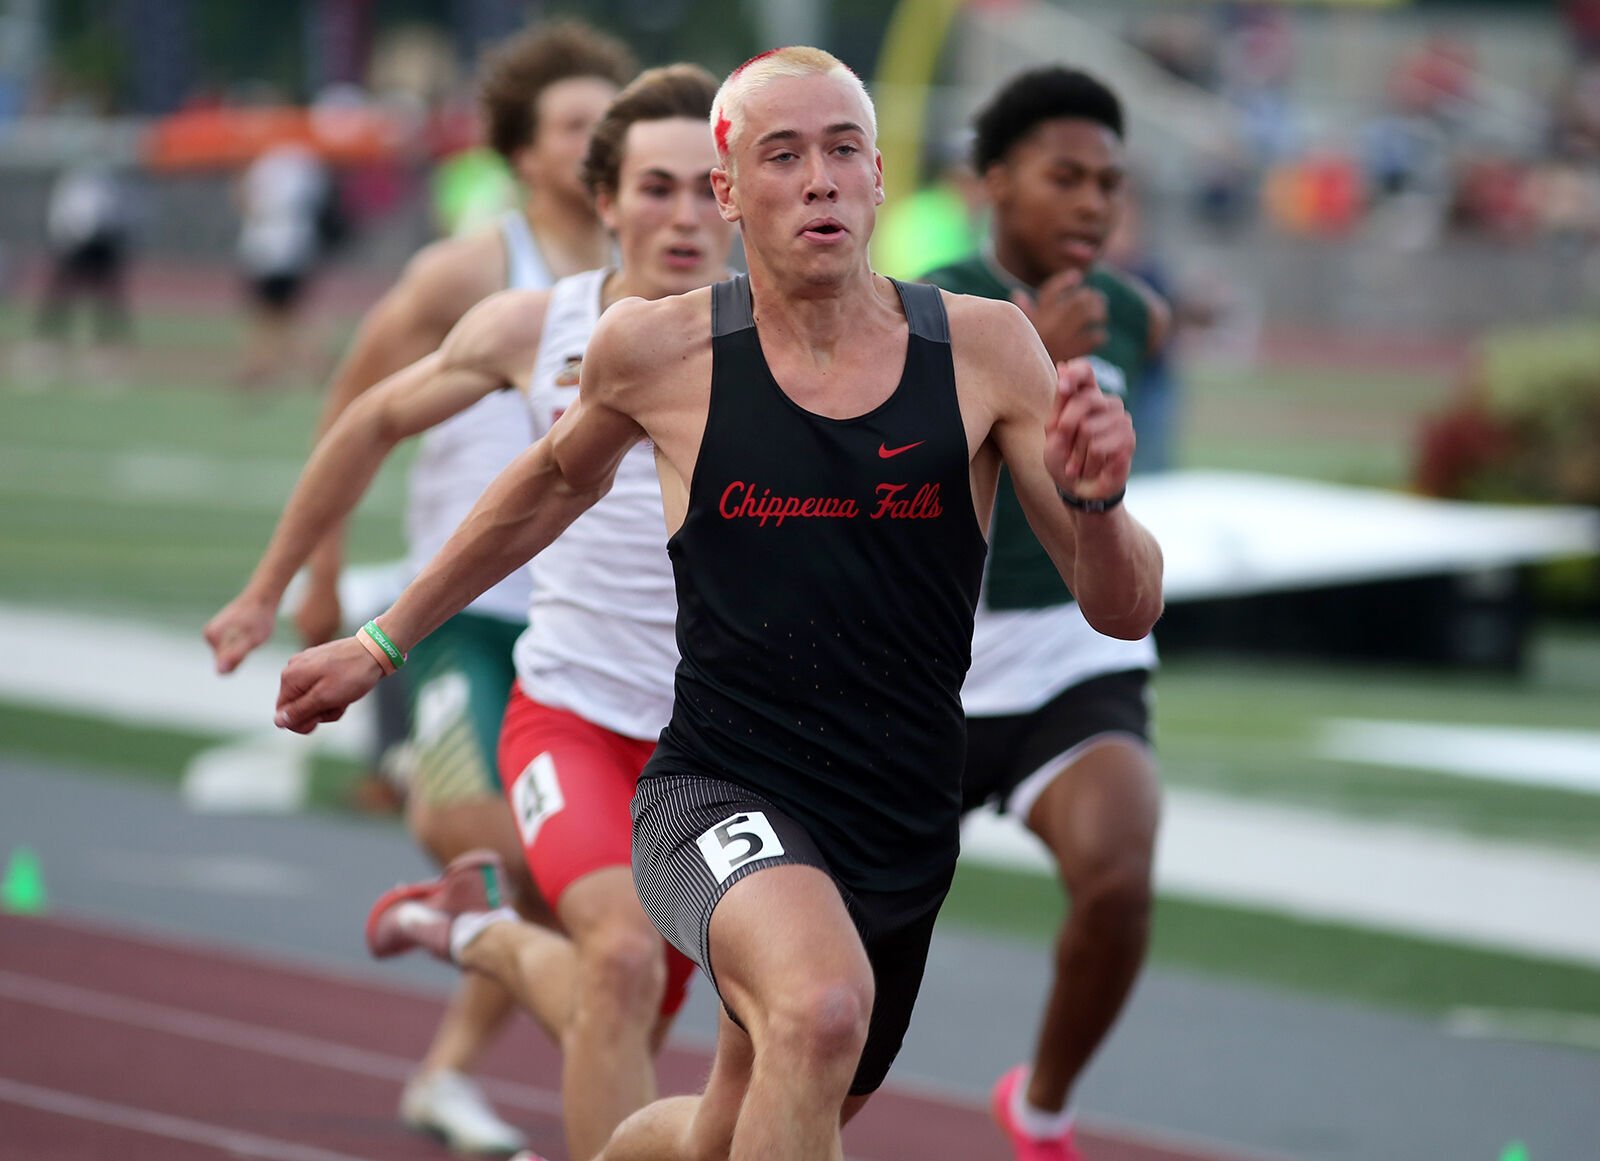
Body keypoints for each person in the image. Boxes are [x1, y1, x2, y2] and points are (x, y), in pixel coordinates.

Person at [267, 47, 1162, 1161]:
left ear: (880, 176)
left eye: (843, 150)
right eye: (783, 155)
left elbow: (1122, 609)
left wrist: (1099, 503)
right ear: (730, 190)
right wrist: (379, 642)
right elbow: (541, 490)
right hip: (715, 785)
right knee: (819, 1009)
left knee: (728, 1128)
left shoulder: (984, 350)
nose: (820, 179)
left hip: (896, 814)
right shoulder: (660, 349)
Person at [207, 64, 734, 1161]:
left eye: (708, 188)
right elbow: (365, 411)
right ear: (599, 192)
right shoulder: (518, 309)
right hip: (515, 656)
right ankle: (487, 930)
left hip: (715, 736)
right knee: (609, 953)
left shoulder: (779, 336)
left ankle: (473, 942)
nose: (685, 216)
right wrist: (280, 587)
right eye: (656, 186)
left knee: (662, 1008)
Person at [920, 67, 1171, 1161]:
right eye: (1063, 177)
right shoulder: (926, 307)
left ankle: (1044, 1108)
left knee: (1118, 876)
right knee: (835, 993)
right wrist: (1034, 352)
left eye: (1108, 183)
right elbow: (897, 471)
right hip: (923, 671)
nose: (1091, 203)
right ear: (993, 182)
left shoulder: (1136, 315)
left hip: (1071, 656)